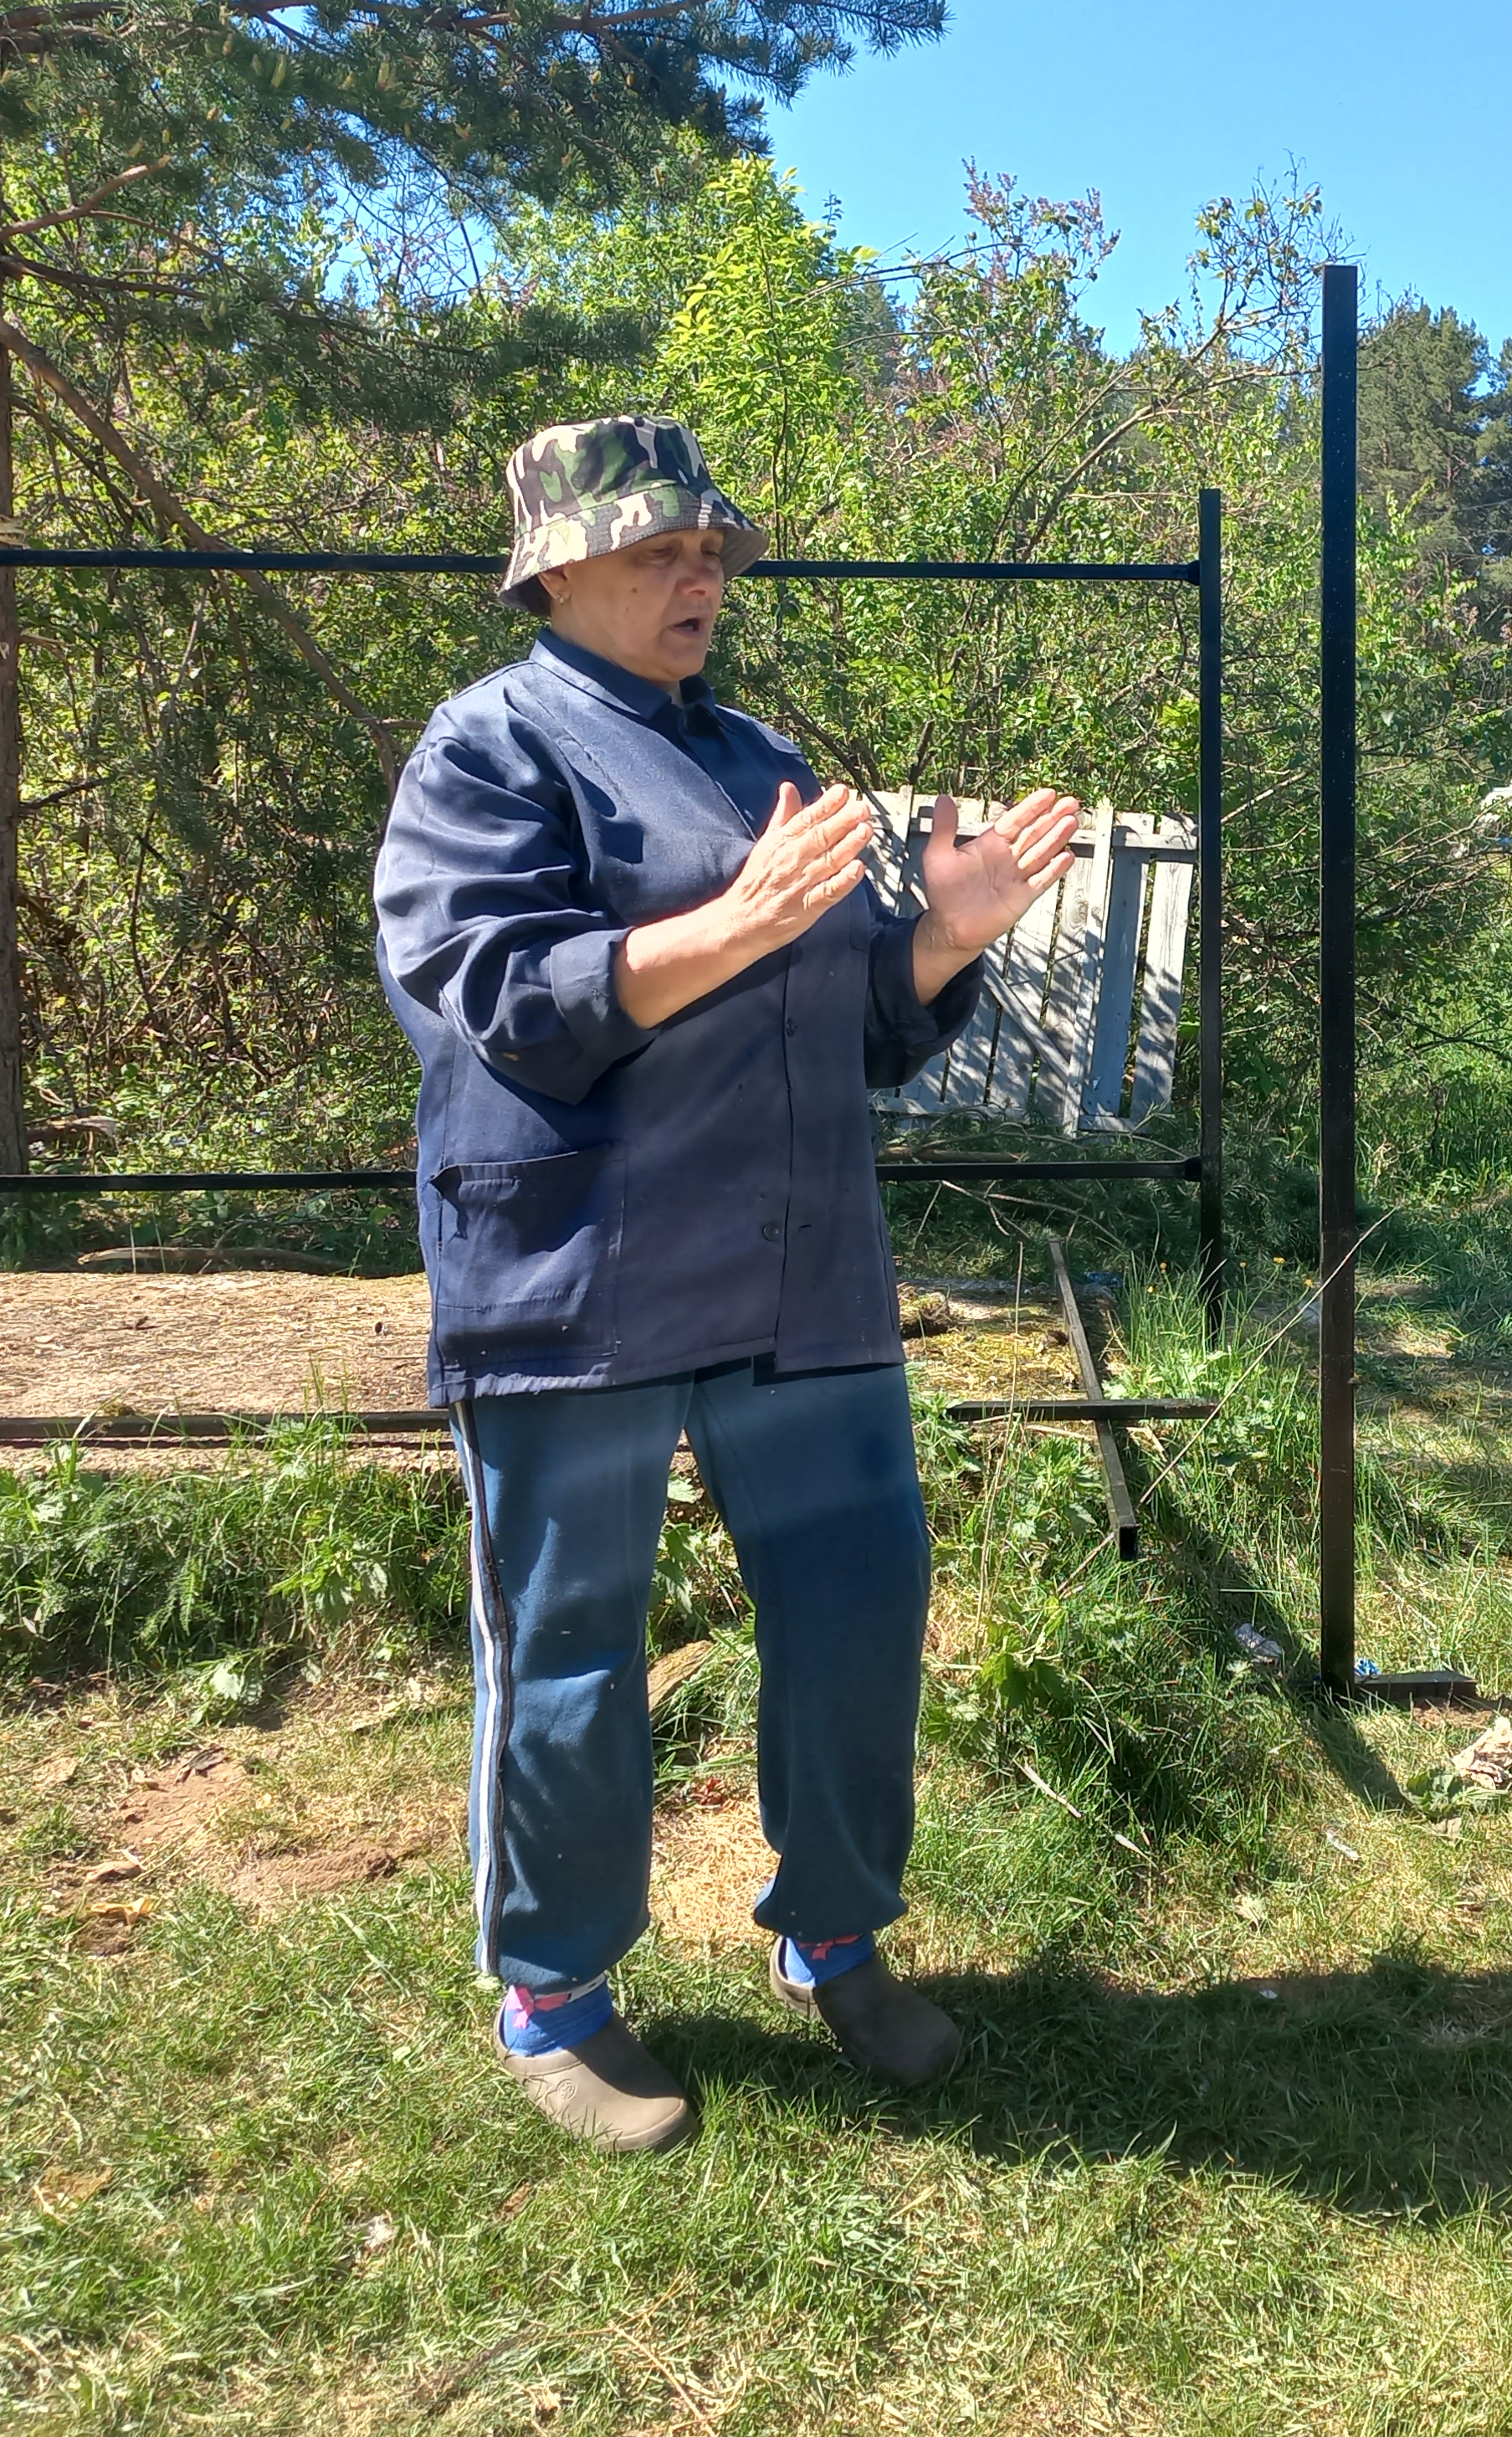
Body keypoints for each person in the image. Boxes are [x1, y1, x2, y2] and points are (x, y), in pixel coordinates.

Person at [372, 413, 1085, 2153]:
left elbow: (847, 1025)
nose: (699, 576)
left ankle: (833, 1936)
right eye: (656, 551)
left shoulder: (761, 754)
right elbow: (501, 996)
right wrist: (742, 925)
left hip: (803, 1279)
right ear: (554, 572)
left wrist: (943, 938)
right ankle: (555, 1995)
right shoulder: (487, 752)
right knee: (567, 1654)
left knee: (855, 1619)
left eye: (711, 551)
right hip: (579, 1281)